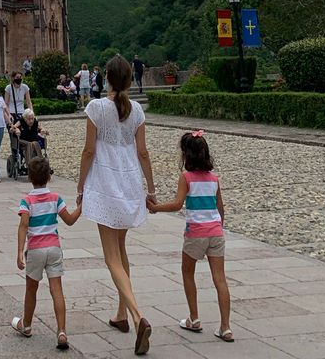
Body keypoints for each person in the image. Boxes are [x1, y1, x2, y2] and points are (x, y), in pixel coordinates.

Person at [76, 54, 157, 355]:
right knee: (122, 253)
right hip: (129, 182)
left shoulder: (96, 108)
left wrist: (81, 187)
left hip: (105, 183)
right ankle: (121, 315)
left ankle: (138, 316)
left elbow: (88, 152)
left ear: (106, 77)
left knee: (111, 257)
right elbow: (143, 153)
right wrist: (151, 188)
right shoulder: (136, 110)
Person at [148, 131, 233, 342]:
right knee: (220, 279)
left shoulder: (186, 178)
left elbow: (177, 205)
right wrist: (218, 228)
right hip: (215, 232)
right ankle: (225, 326)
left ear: (186, 156)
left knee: (187, 272)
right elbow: (221, 209)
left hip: (195, 232)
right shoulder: (214, 179)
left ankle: (194, 318)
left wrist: (156, 208)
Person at [13, 156, 82, 349]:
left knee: (31, 289)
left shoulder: (26, 201)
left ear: (29, 178)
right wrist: (81, 207)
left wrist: (19, 252)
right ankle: (61, 331)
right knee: (56, 290)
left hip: (35, 250)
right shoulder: (55, 199)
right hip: (54, 248)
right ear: (49, 178)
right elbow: (69, 220)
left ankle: (26, 325)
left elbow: (23, 225)